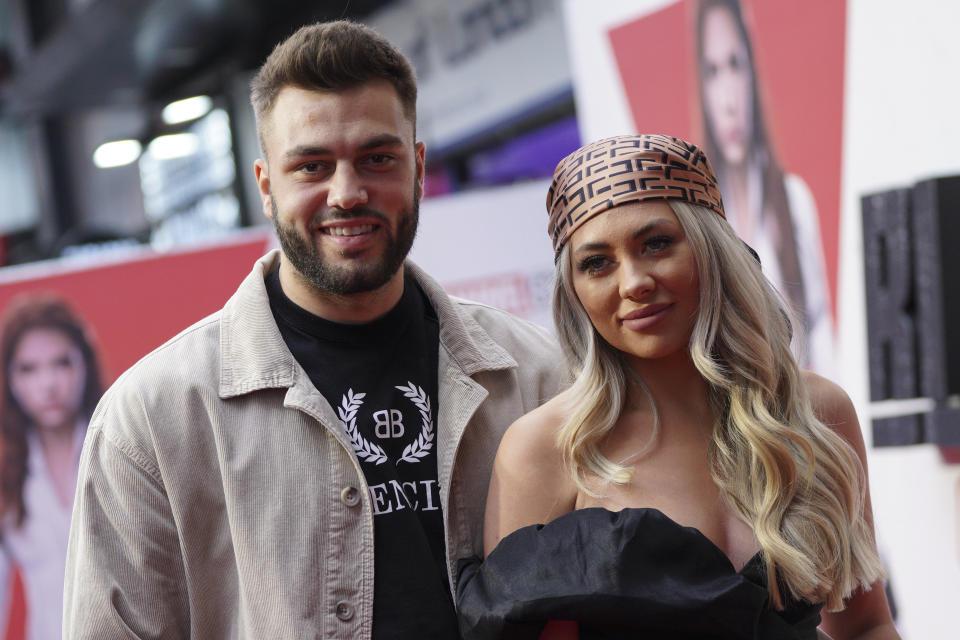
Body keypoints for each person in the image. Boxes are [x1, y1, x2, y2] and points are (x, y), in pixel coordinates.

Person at [62, 20, 563, 639]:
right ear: (266, 187)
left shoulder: (538, 377)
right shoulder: (155, 420)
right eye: (312, 166)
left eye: (377, 158)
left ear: (417, 166)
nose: (347, 193)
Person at [457, 135, 899, 639]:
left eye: (656, 243)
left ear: (712, 250)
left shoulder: (814, 412)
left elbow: (866, 625)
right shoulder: (546, 449)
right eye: (597, 262)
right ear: (573, 290)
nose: (634, 282)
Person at [696, 0, 833, 374]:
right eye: (712, 71)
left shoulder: (792, 201)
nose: (727, 101)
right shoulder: (696, 226)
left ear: (753, 74)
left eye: (735, 65)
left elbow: (822, 341)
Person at [0, 295, 101, 640]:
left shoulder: (121, 448)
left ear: (84, 365)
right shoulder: (4, 474)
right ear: (10, 380)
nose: (48, 385)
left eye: (61, 363)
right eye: (28, 369)